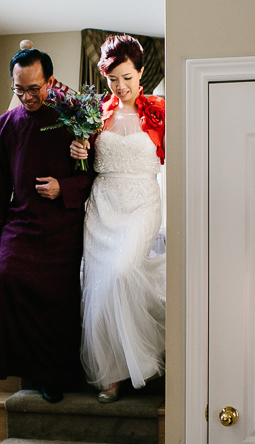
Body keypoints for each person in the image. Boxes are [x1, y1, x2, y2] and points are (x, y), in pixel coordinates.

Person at [0, 48, 94, 403]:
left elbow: (96, 176)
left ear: (49, 81)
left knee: (58, 301)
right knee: (2, 285)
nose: (27, 97)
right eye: (19, 90)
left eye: (34, 88)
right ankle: (23, 365)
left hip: (64, 225)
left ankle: (54, 375)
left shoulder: (72, 118)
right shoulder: (3, 127)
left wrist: (64, 187)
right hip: (22, 223)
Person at [70, 34, 166, 402]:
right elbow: (82, 159)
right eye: (113, 79)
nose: (121, 86)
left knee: (124, 272)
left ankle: (142, 358)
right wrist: (79, 148)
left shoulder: (159, 109)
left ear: (141, 72)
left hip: (142, 200)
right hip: (103, 204)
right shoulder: (94, 113)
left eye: (127, 77)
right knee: (100, 286)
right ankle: (111, 374)